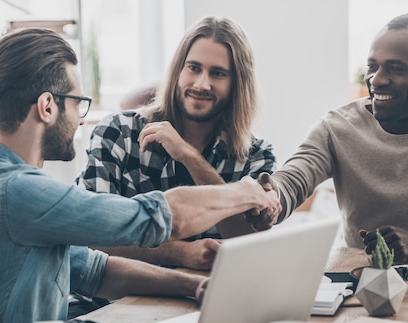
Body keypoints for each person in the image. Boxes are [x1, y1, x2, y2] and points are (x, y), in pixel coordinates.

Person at [0, 28, 279, 323]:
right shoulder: (17, 193)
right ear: (47, 107)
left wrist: (190, 286)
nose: (80, 118)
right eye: (78, 103)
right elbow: (157, 217)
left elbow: (91, 270)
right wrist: (246, 193)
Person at [76, 16, 276, 271]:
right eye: (193, 68)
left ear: (238, 83)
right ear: (178, 70)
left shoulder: (257, 155)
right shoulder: (118, 133)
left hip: (208, 300)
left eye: (217, 73)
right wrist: (178, 254)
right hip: (116, 303)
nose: (201, 84)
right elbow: (90, 236)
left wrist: (189, 156)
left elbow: (248, 244)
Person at [248, 13, 408, 264]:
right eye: (372, 67)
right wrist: (271, 200)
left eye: (395, 69)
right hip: (362, 283)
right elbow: (294, 179)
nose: (376, 80)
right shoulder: (336, 128)